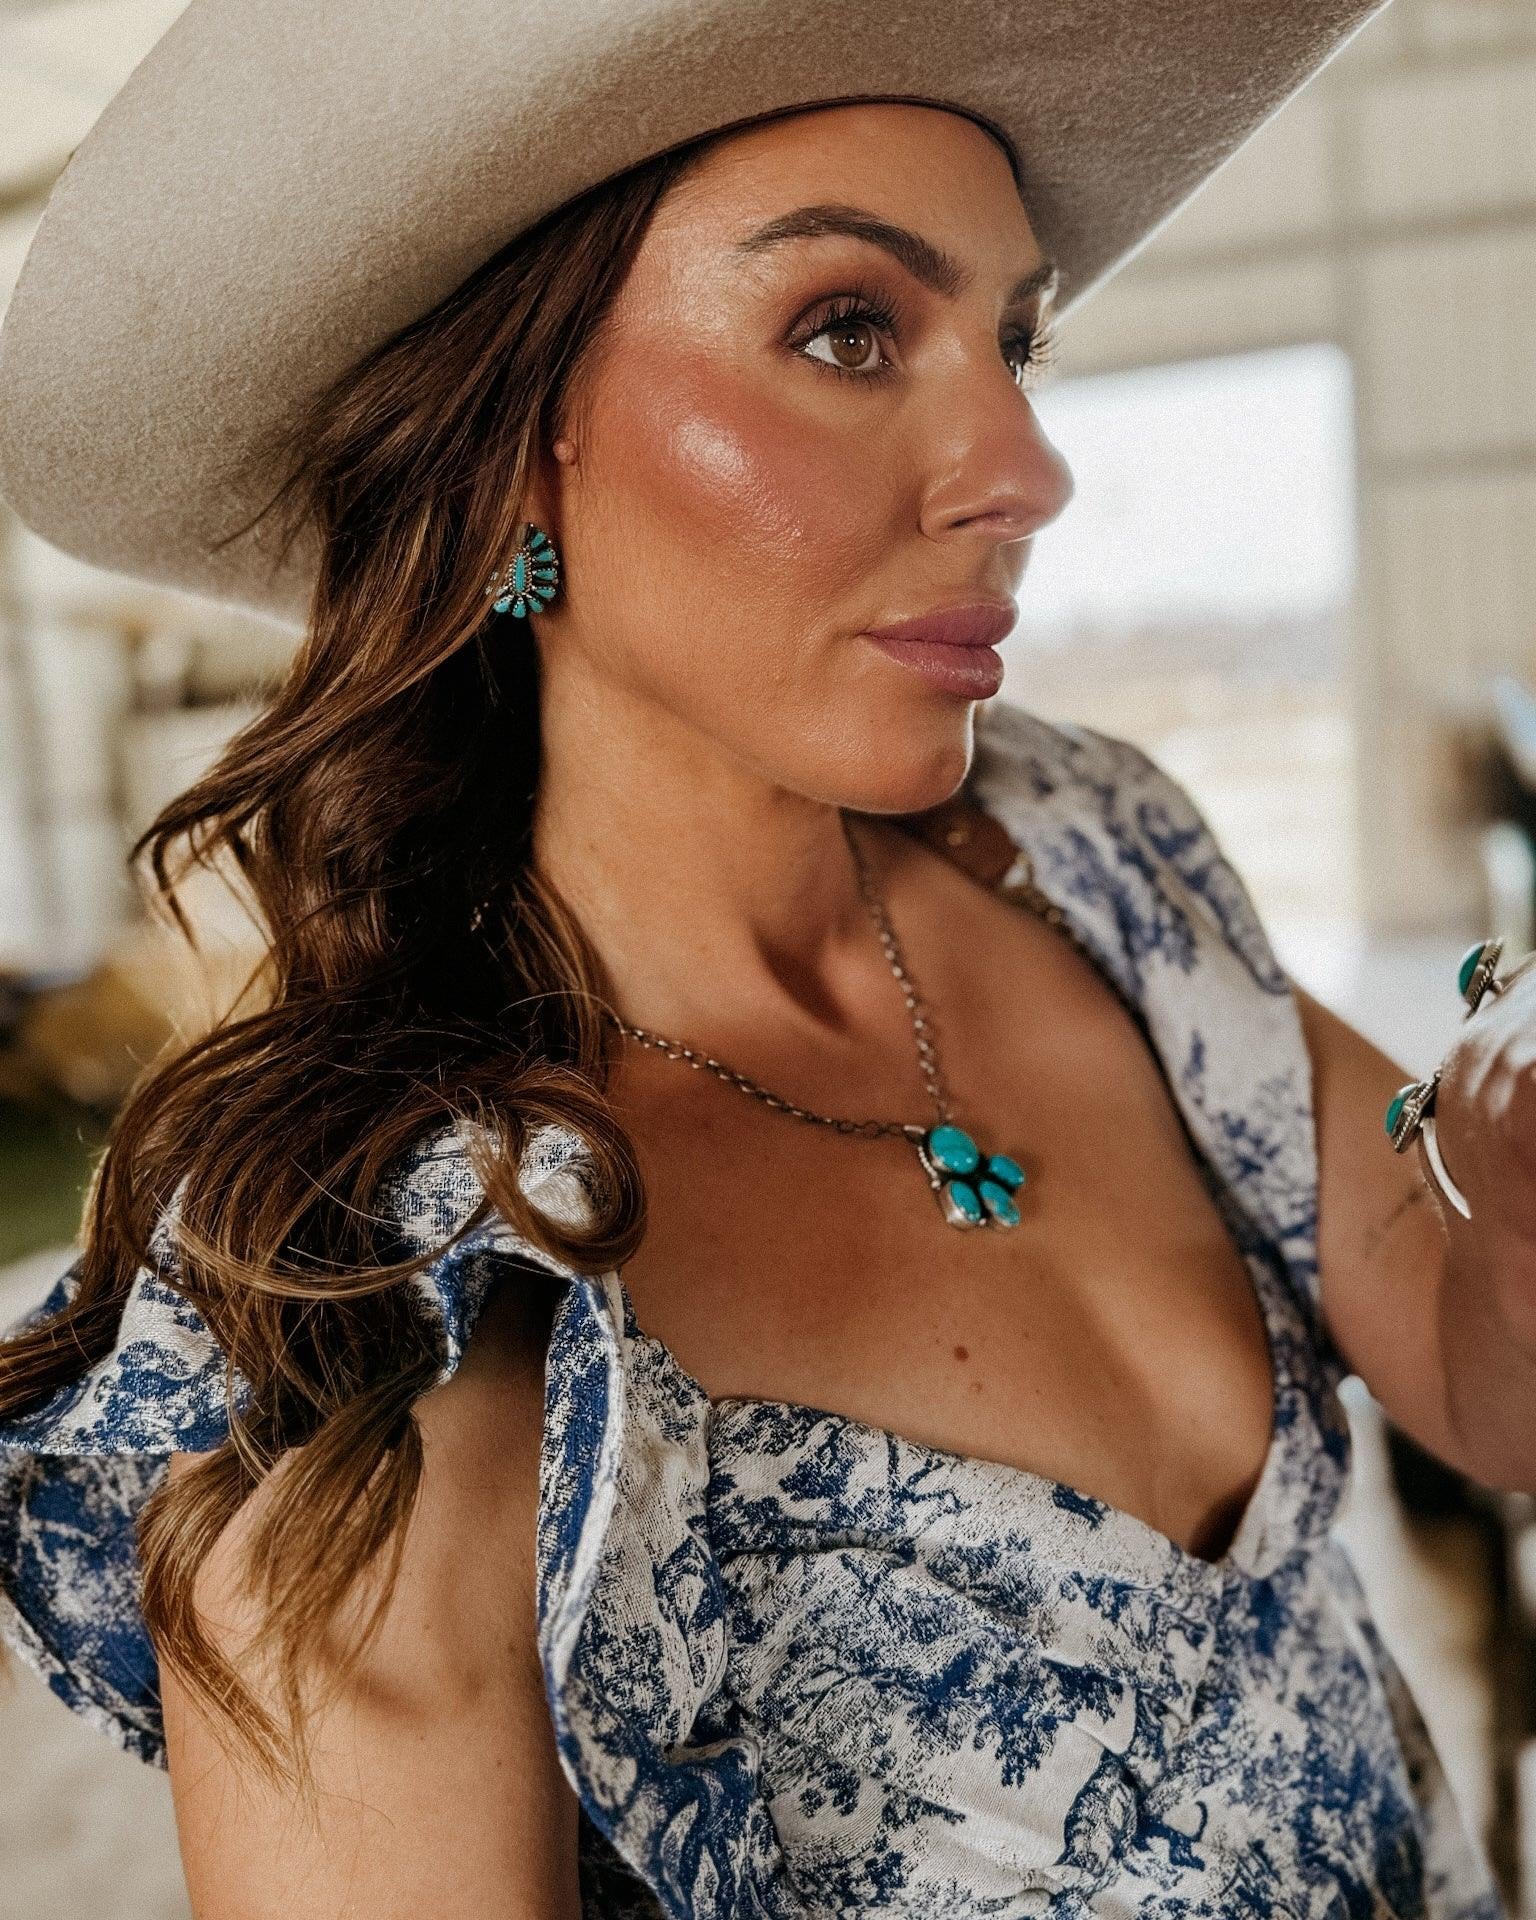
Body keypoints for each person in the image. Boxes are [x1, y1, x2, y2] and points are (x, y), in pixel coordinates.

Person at [0, 0, 1532, 1913]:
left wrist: (1514, 1201)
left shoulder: (1091, 850)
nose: (1026, 467)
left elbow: (1481, 1368)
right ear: (519, 449)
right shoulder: (402, 1321)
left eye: (1018, 341)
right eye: (847, 331)